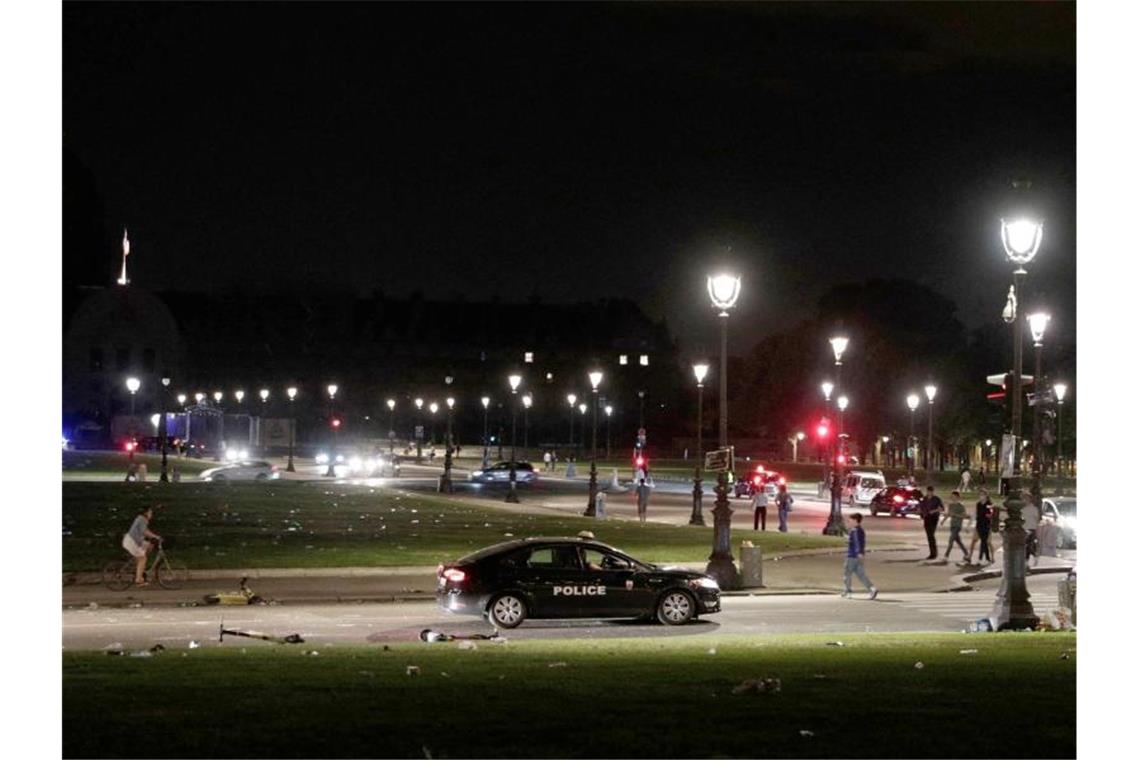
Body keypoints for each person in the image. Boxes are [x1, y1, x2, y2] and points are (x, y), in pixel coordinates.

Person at [122, 506, 162, 586]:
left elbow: (145, 531)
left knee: (150, 546)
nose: (151, 514)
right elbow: (145, 532)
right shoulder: (142, 519)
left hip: (134, 541)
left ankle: (140, 569)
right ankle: (139, 579)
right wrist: (156, 537)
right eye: (150, 512)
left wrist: (153, 537)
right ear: (146, 513)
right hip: (132, 542)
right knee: (143, 558)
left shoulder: (141, 519)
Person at [842, 513, 878, 599]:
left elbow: (857, 542)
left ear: (855, 520)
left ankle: (848, 591)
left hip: (852, 555)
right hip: (858, 556)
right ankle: (872, 588)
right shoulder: (860, 530)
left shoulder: (854, 530)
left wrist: (858, 551)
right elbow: (859, 542)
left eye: (850, 520)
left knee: (847, 573)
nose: (849, 522)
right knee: (861, 575)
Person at [941, 490, 970, 563]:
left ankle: (946, 556)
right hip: (952, 525)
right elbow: (949, 514)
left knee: (951, 540)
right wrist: (943, 520)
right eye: (952, 497)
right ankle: (967, 554)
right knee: (958, 541)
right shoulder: (951, 505)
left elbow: (964, 516)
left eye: (954, 497)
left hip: (958, 526)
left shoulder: (961, 506)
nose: (953, 498)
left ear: (957, 497)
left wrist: (956, 515)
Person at [967, 489, 994, 565]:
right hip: (979, 525)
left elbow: (992, 513)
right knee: (979, 541)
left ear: (986, 496)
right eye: (980, 495)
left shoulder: (989, 504)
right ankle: (978, 558)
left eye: (982, 495)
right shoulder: (978, 504)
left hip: (986, 525)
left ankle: (985, 558)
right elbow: (974, 514)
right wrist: (969, 525)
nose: (981, 496)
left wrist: (990, 515)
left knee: (985, 542)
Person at [918, 486, 944, 560]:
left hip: (934, 518)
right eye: (928, 491)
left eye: (931, 491)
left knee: (931, 535)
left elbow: (942, 508)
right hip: (926, 518)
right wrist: (920, 511)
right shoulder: (924, 499)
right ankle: (932, 553)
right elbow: (921, 507)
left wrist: (934, 510)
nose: (929, 493)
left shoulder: (936, 499)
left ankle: (934, 553)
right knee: (929, 536)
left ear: (933, 492)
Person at [1024, 498, 1041, 567]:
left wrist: (1035, 527)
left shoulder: (1034, 509)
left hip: (1031, 528)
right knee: (1026, 545)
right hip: (1025, 527)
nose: (1024, 500)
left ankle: (1027, 560)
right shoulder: (1023, 508)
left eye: (1025, 499)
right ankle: (1034, 556)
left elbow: (1037, 518)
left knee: (1028, 545)